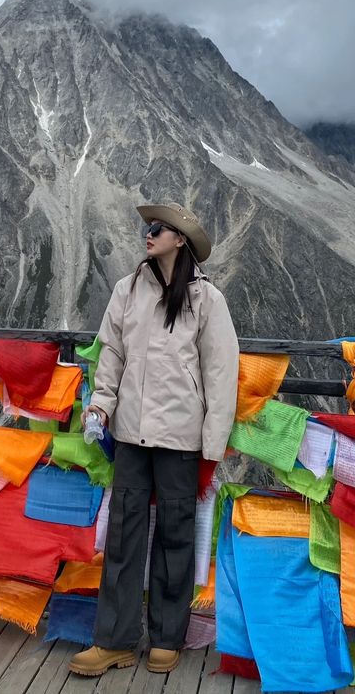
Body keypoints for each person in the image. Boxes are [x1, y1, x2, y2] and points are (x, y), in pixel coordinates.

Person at [68, 201, 239, 678]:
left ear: (179, 240)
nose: (149, 233)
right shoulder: (127, 290)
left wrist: (214, 441)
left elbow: (222, 373)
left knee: (175, 535)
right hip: (128, 432)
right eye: (148, 226)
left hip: (182, 435)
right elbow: (111, 355)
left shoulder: (207, 299)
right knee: (123, 534)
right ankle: (114, 641)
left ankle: (168, 637)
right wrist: (100, 404)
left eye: (159, 228)